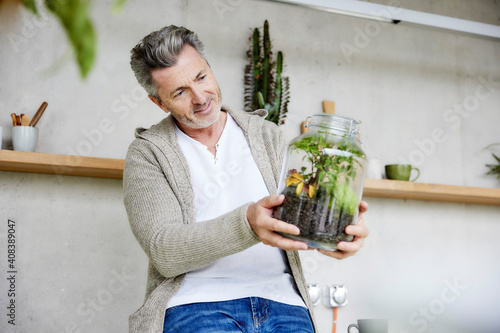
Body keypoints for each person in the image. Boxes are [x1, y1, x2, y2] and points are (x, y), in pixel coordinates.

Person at [124, 25, 369, 333]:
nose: (200, 98)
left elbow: (296, 215)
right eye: (180, 92)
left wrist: (331, 235)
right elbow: (164, 251)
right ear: (158, 102)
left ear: (210, 69)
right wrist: (248, 223)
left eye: (201, 77)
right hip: (196, 305)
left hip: (283, 302)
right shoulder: (148, 153)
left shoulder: (267, 135)